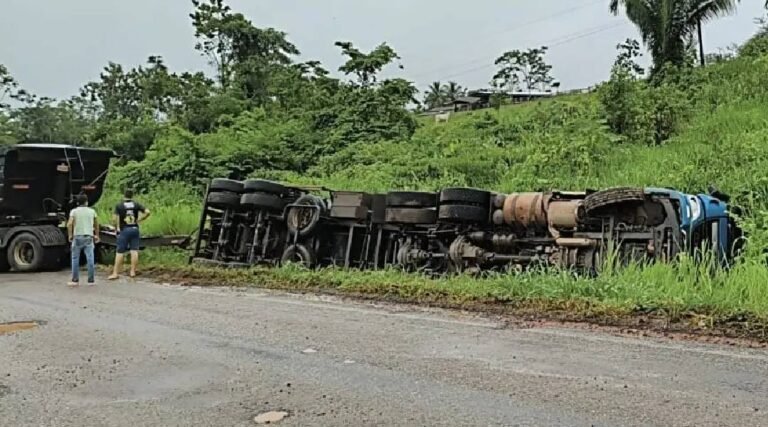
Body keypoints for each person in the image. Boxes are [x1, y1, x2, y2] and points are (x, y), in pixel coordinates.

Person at [108, 189, 151, 280]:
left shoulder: (119, 205)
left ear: (124, 195)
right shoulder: (136, 204)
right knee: (134, 250)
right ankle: (132, 272)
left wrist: (116, 229)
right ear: (132, 195)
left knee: (120, 251)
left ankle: (115, 273)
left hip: (125, 230)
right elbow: (148, 212)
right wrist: (140, 220)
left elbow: (114, 219)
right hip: (135, 229)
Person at [67, 194, 99, 287]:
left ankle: (75, 280)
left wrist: (70, 235)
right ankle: (91, 280)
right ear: (87, 202)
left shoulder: (74, 211)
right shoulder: (92, 211)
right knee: (90, 258)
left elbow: (69, 224)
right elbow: (96, 224)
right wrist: (96, 235)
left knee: (75, 258)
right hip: (89, 236)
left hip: (77, 236)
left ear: (77, 203)